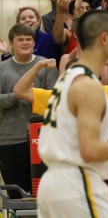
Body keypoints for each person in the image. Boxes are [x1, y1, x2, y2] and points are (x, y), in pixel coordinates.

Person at [37, 10, 108, 217]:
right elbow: (89, 152)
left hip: (57, 184)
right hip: (74, 185)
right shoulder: (88, 87)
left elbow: (78, 153)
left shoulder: (68, 79)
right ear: (103, 38)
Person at [0, 24, 58, 199]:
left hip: (43, 137)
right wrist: (18, 95)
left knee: (46, 194)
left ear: (34, 42)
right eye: (20, 39)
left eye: (29, 39)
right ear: (11, 43)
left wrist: (31, 95)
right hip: (10, 138)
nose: (25, 43)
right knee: (16, 194)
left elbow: (53, 99)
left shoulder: (46, 65)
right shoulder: (2, 68)